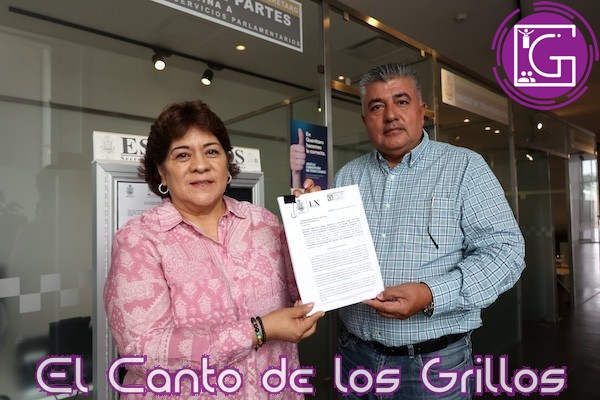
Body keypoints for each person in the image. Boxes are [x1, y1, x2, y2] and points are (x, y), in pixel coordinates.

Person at [304, 63, 525, 399]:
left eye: (402, 101)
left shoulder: (464, 167)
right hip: (354, 356)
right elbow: (335, 259)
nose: (390, 115)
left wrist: (430, 294)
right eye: (377, 106)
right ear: (365, 120)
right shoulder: (349, 176)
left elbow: (506, 253)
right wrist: (310, 220)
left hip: (434, 364)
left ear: (422, 111)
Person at [104, 100, 324, 399]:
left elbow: (303, 292)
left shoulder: (263, 222)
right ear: (161, 172)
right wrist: (258, 330)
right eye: (182, 154)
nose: (200, 164)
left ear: (226, 163)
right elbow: (142, 350)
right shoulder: (139, 240)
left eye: (211, 151)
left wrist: (313, 226)